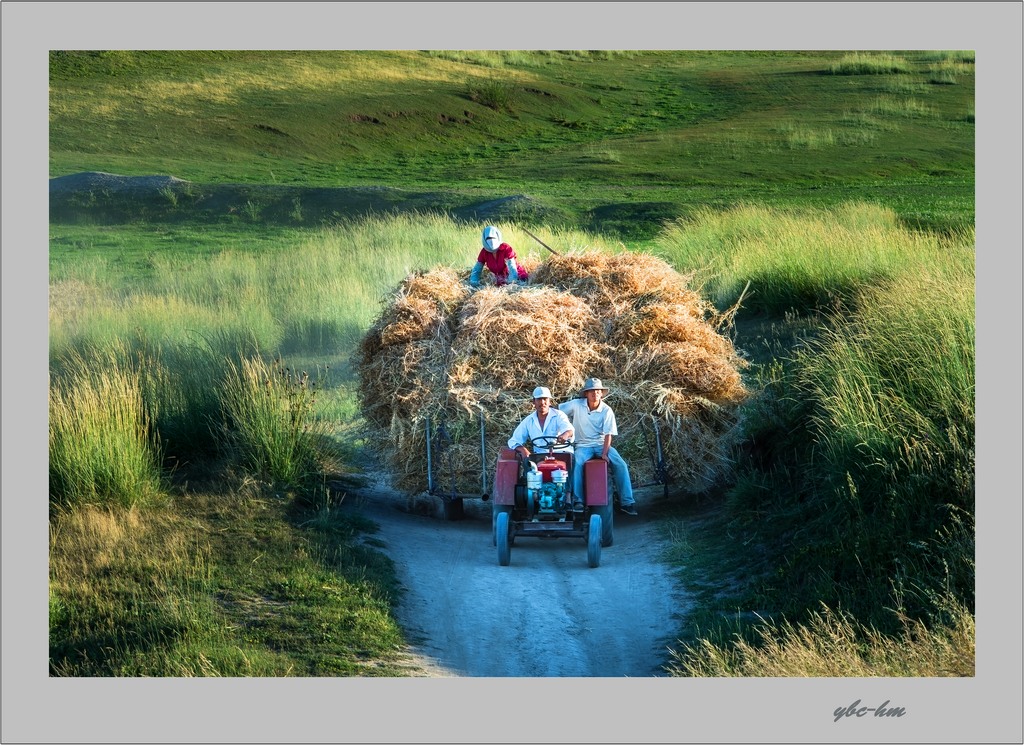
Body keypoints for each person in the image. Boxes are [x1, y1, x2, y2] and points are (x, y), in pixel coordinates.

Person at [558, 378, 638, 516]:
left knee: (620, 464)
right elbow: (558, 411)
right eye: (591, 391)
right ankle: (578, 500)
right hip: (583, 445)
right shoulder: (576, 405)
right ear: (586, 394)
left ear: (601, 394)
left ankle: (627, 502)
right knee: (576, 463)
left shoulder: (606, 410)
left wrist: (605, 454)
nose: (595, 394)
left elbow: (608, 434)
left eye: (597, 391)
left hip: (601, 444)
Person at [507, 386, 577, 507]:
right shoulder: (529, 420)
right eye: (539, 399)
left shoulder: (559, 415)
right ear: (533, 402)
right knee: (527, 462)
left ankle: (568, 495)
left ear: (550, 401)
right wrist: (523, 449)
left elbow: (569, 429)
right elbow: (513, 440)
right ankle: (533, 494)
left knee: (570, 460)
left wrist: (565, 435)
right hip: (540, 455)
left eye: (545, 399)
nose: (542, 402)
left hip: (560, 452)